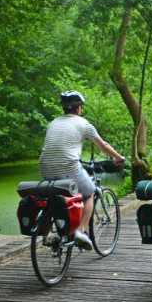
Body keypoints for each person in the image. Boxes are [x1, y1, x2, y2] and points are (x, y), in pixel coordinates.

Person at [39, 90, 125, 250]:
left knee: (62, 195)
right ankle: (80, 231)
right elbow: (103, 145)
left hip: (45, 168)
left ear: (64, 108)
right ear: (79, 108)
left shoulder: (53, 122)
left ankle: (62, 228)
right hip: (68, 167)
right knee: (89, 193)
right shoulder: (83, 123)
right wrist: (118, 158)